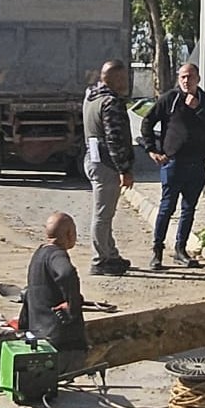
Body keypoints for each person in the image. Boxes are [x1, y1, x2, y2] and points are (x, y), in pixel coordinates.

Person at [141, 63, 205, 270]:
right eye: (182, 77)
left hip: (197, 164)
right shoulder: (170, 99)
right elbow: (147, 121)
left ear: (198, 78)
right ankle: (157, 252)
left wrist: (198, 108)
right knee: (166, 207)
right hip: (173, 163)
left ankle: (180, 249)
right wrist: (152, 150)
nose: (186, 81)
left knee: (189, 209)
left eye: (190, 77)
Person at [82, 59, 136, 276]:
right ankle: (100, 259)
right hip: (106, 164)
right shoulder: (111, 102)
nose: (126, 82)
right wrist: (124, 169)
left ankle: (110, 254)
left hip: (93, 159)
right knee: (103, 215)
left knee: (105, 213)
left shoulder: (90, 97)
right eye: (122, 78)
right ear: (114, 78)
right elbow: (114, 139)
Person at [20, 212, 88, 373]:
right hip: (59, 342)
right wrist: (72, 304)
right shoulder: (56, 255)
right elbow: (67, 273)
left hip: (38, 334)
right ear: (70, 233)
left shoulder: (39, 254)